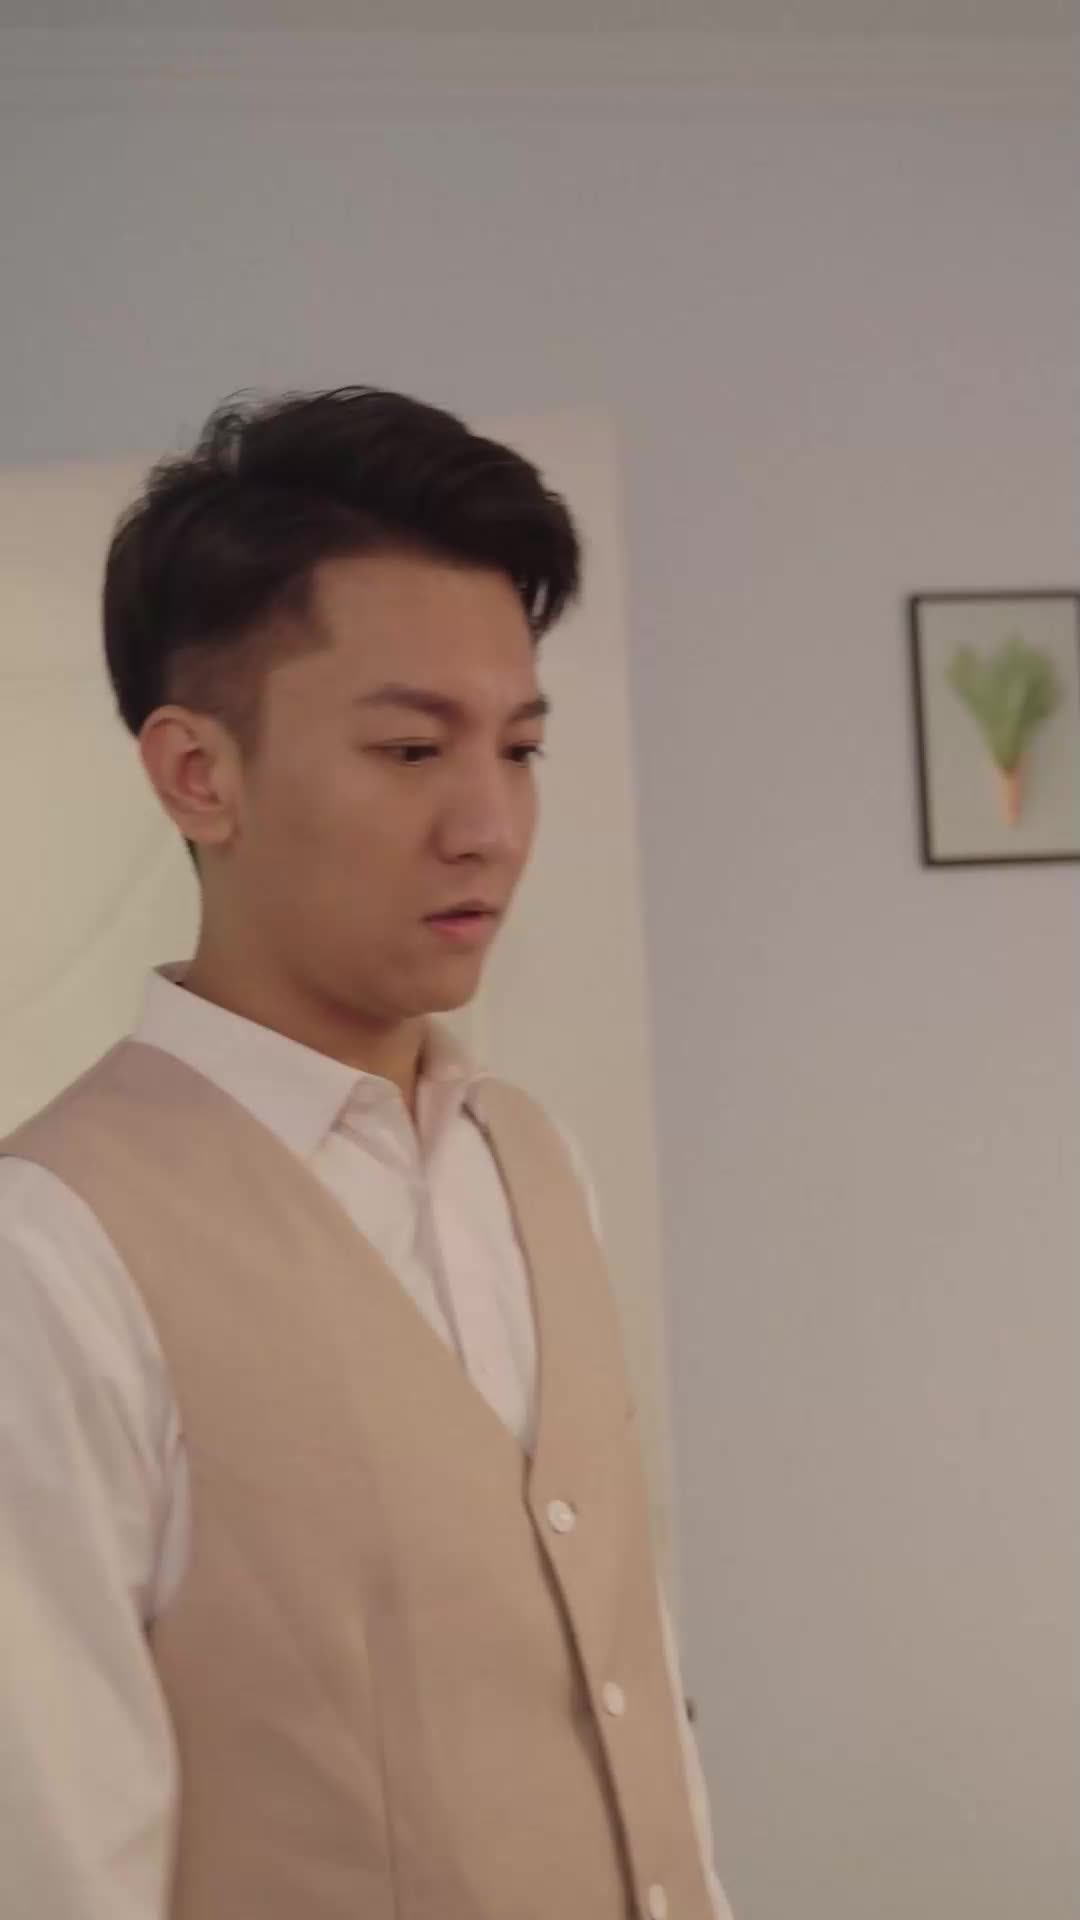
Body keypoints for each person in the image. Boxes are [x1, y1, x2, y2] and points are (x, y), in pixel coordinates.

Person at [0, 387, 732, 1920]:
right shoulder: (54, 1247)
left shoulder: (530, 1159)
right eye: (410, 748)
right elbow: (55, 1858)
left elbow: (628, 1680)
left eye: (520, 748)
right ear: (198, 774)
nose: (491, 825)